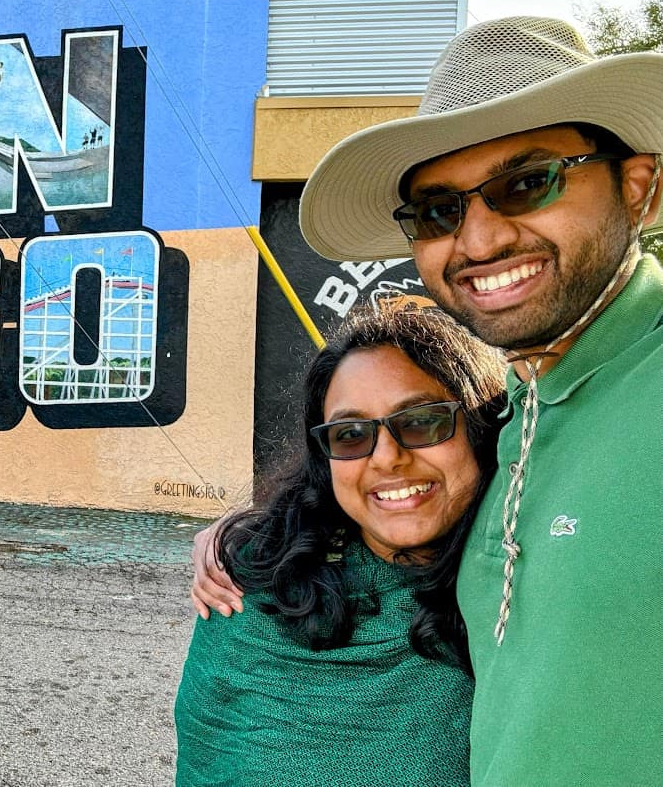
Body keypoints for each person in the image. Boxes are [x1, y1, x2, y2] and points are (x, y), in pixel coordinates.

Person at [192, 17, 662, 786]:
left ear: (636, 186)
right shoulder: (515, 419)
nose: (478, 242)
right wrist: (243, 534)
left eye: (525, 183)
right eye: (440, 210)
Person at [175, 305, 506, 786]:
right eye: (351, 435)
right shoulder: (254, 586)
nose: (388, 458)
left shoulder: (520, 584)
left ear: (479, 428)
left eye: (421, 421)